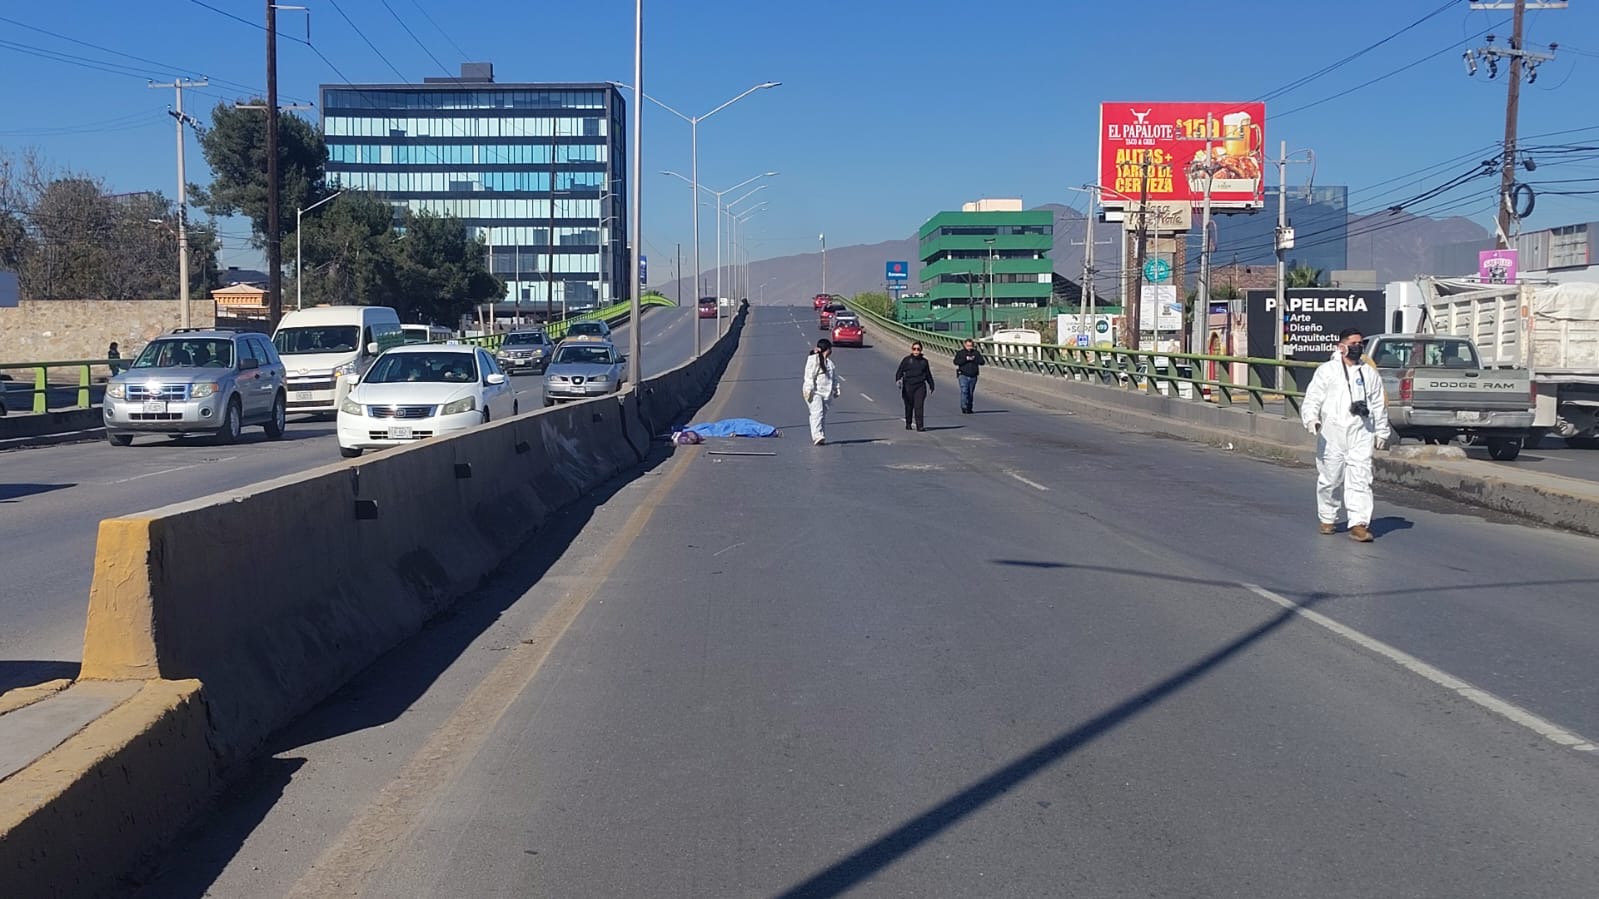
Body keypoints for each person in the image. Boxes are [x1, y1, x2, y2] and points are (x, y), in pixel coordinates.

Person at [1302, 327, 1392, 542]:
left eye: (1360, 343)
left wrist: (1381, 431)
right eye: (1353, 344)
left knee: (1361, 478)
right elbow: (1313, 398)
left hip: (1361, 432)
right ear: (1341, 346)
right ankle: (1328, 517)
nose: (1358, 347)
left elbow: (1378, 404)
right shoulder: (1327, 371)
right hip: (1332, 433)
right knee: (1330, 479)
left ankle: (1359, 524)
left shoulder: (1368, 373)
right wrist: (1311, 419)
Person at [802, 338, 840, 446]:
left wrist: (836, 389)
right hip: (814, 392)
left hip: (826, 393)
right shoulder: (813, 360)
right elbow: (809, 376)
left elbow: (833, 378)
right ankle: (817, 436)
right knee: (817, 413)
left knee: (822, 415)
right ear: (827, 349)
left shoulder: (830, 364)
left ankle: (820, 435)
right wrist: (809, 389)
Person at [895, 341, 936, 431]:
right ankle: (908, 422)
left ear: (921, 350)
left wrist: (931, 385)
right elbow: (900, 371)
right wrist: (898, 380)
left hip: (920, 386)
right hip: (908, 386)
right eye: (914, 349)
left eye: (918, 349)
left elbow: (928, 374)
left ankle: (920, 426)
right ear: (912, 350)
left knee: (919, 406)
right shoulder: (907, 360)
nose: (916, 351)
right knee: (909, 406)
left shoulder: (924, 362)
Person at [952, 338, 985, 414]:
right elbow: (956, 362)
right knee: (964, 391)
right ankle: (964, 406)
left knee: (970, 393)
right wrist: (965, 359)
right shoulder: (961, 353)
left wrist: (974, 359)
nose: (969, 347)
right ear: (964, 345)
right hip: (963, 375)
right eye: (968, 346)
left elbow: (982, 362)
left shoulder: (976, 353)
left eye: (971, 346)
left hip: (973, 376)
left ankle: (969, 407)